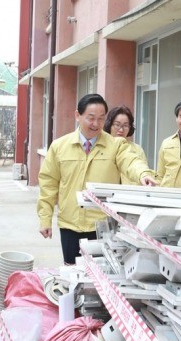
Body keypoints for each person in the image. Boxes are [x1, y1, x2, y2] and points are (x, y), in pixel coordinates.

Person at [37, 94, 157, 265]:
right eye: (91, 118)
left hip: (102, 225)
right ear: (78, 115)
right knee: (72, 273)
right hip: (70, 223)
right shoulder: (59, 146)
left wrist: (143, 174)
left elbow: (131, 161)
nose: (96, 124)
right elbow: (48, 184)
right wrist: (45, 219)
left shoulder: (115, 145)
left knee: (100, 277)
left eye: (101, 119)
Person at [103, 105, 148, 185]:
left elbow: (143, 175)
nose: (121, 129)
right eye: (117, 125)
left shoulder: (137, 149)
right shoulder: (101, 146)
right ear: (109, 124)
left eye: (125, 126)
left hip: (130, 195)